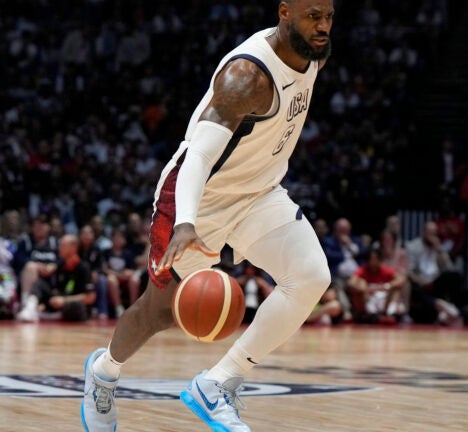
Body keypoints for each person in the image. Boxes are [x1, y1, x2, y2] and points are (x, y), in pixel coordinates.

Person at [81, 2, 335, 431]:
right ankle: (103, 373)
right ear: (285, 12)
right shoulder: (247, 77)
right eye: (313, 16)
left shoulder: (315, 51)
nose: (323, 27)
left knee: (312, 276)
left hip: (259, 193)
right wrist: (185, 222)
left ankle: (218, 382)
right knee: (160, 311)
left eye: (329, 16)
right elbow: (197, 155)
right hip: (200, 198)